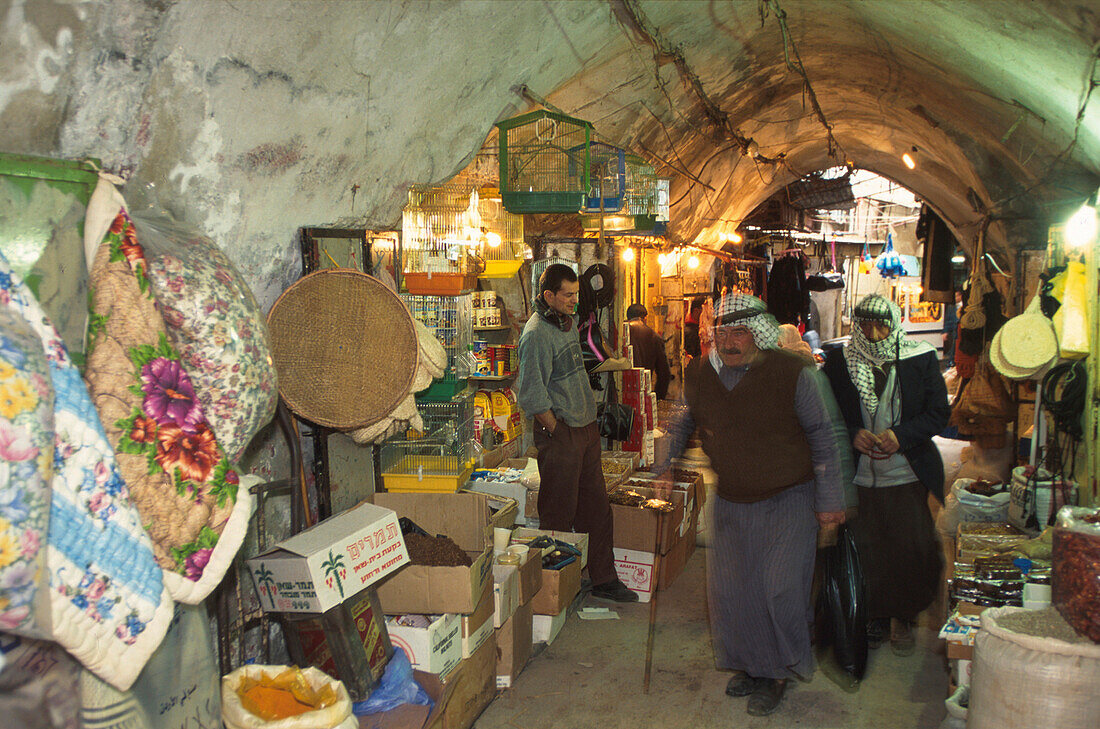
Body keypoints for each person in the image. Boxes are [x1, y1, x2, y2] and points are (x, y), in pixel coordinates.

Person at [654, 293, 846, 717]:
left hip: (789, 499)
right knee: (736, 595)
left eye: (738, 331)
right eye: (721, 331)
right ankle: (753, 665)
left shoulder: (793, 370)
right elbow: (683, 420)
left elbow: (823, 433)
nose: (728, 340)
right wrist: (665, 465)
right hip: (733, 500)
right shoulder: (703, 372)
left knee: (779, 589)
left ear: (758, 332)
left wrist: (831, 498)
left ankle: (777, 672)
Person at [822, 294, 949, 656]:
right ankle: (874, 615)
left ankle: (904, 617)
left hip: (905, 474)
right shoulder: (838, 361)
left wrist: (901, 436)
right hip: (860, 477)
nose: (874, 333)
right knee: (867, 548)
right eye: (865, 324)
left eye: (881, 325)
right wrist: (852, 434)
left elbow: (939, 413)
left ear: (894, 324)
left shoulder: (918, 357)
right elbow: (826, 413)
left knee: (911, 547)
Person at [515, 264, 638, 603]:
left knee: (597, 509)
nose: (574, 301)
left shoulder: (567, 324)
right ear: (548, 296)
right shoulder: (536, 333)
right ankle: (550, 591)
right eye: (567, 295)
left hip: (585, 432)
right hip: (562, 434)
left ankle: (603, 578)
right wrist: (557, 429)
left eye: (576, 294)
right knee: (557, 513)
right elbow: (530, 393)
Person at [626, 303, 671, 399]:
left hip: (624, 390)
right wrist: (657, 398)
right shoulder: (655, 337)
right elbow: (664, 374)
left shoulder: (622, 334)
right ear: (645, 317)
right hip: (643, 392)